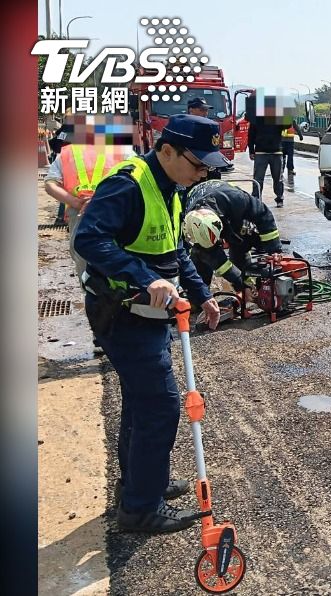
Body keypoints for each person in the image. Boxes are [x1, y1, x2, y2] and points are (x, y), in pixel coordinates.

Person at [74, 114, 225, 533]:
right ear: (167, 151)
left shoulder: (171, 188)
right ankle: (141, 508)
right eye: (198, 164)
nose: (204, 172)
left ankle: (140, 486)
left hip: (151, 316)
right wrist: (144, 277)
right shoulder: (128, 184)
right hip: (122, 315)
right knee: (160, 404)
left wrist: (203, 295)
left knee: (142, 402)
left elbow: (174, 252)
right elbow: (88, 239)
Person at [43, 115, 136, 279]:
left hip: (80, 212)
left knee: (84, 260)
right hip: (114, 211)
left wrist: (77, 203)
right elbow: (137, 178)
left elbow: (50, 184)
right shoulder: (123, 150)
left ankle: (91, 296)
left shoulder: (67, 152)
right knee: (119, 257)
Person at [183, 179, 283, 304]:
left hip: (228, 208)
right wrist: (238, 283)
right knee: (200, 258)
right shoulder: (190, 226)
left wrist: (274, 249)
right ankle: (200, 299)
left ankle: (252, 287)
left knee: (240, 243)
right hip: (200, 200)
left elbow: (263, 214)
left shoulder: (236, 199)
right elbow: (220, 263)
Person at [246, 94, 288, 208]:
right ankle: (256, 199)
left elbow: (288, 124)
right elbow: (251, 135)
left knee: (278, 178)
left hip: (276, 152)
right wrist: (251, 150)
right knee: (258, 179)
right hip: (260, 152)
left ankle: (280, 198)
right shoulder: (256, 118)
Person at [186, 97, 223, 182]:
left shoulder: (210, 126)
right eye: (202, 110)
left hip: (208, 166)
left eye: (206, 110)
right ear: (191, 110)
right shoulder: (184, 127)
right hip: (191, 167)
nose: (206, 113)